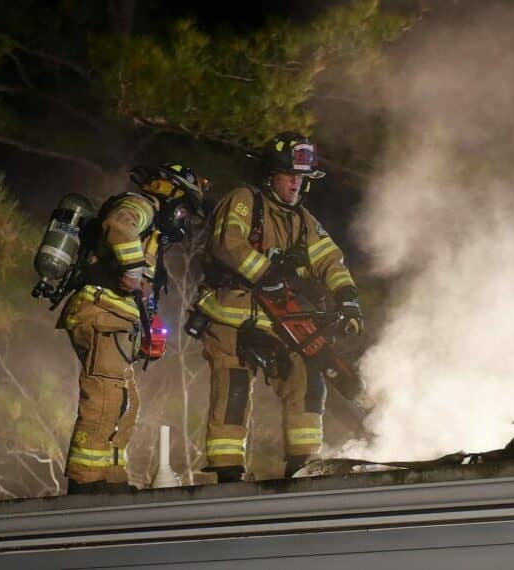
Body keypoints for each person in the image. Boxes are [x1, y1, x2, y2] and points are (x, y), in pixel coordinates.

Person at [191, 131, 363, 482]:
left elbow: (329, 259)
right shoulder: (244, 200)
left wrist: (347, 297)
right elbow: (229, 243)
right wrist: (265, 272)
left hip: (278, 319)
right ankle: (227, 472)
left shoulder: (302, 220)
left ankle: (303, 462)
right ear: (271, 175)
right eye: (289, 177)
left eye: (300, 179)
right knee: (234, 387)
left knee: (309, 375)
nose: (295, 185)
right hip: (230, 317)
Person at [59, 163, 206, 494]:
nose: (183, 221)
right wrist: (133, 267)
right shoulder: (140, 206)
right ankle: (85, 483)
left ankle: (111, 478)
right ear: (170, 194)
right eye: (184, 211)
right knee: (106, 395)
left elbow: (142, 292)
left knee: (126, 400)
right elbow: (118, 225)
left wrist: (148, 325)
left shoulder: (152, 234)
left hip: (116, 321)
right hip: (101, 311)